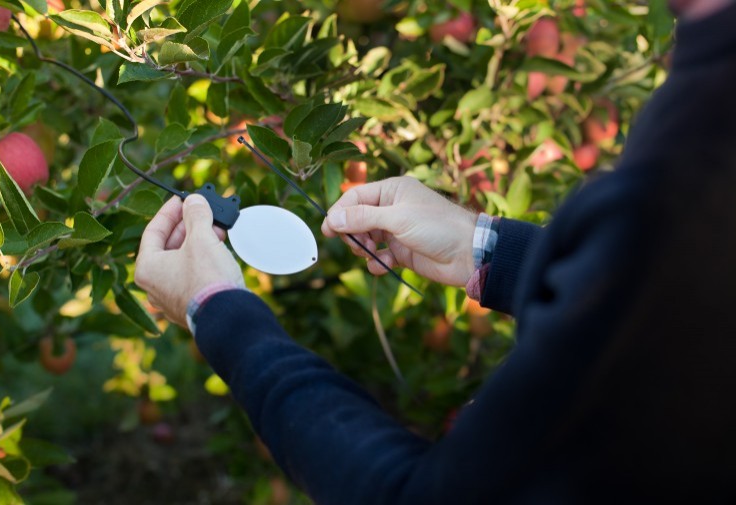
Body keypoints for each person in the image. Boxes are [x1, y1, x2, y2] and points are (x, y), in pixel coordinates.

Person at [134, 1, 736, 502]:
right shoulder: (705, 104)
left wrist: (217, 312)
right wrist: (489, 252)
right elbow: (664, 294)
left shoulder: (700, 152)